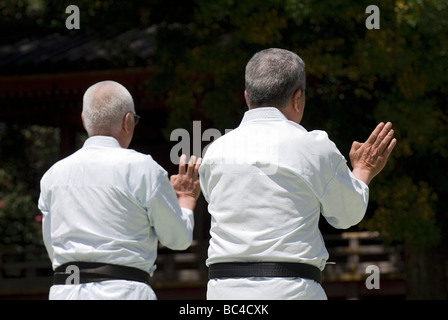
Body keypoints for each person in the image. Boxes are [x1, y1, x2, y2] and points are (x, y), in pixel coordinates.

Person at [199, 48, 397, 300]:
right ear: (298, 98)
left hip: (223, 293)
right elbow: (346, 214)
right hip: (291, 290)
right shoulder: (313, 146)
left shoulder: (215, 151)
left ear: (247, 97)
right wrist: (363, 170)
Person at [38, 80, 202, 300]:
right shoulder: (143, 169)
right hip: (123, 291)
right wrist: (186, 199)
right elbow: (178, 239)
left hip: (65, 291)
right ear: (128, 122)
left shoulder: (52, 176)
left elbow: (53, 247)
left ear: (84, 121)